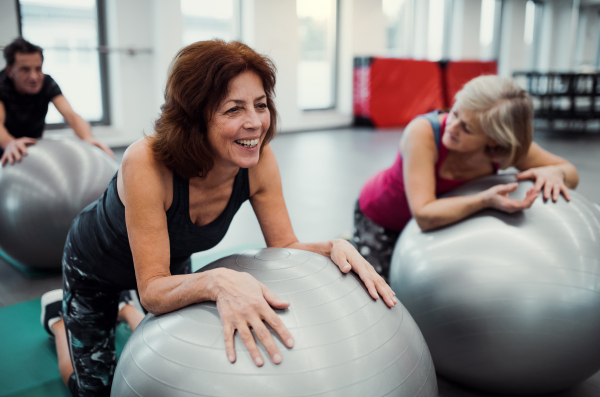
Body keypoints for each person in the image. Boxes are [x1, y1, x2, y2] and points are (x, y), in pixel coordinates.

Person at [40, 40, 396, 396]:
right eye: (233, 110)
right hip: (96, 268)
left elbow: (286, 246)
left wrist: (332, 247)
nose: (255, 123)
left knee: (168, 362)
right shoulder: (146, 163)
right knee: (96, 390)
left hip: (168, 264)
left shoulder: (259, 161)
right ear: (195, 118)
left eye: (260, 105)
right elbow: (151, 290)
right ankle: (60, 321)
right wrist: (218, 280)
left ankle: (123, 310)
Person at [353, 75, 579, 280]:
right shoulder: (423, 132)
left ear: (494, 140)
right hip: (382, 216)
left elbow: (570, 173)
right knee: (379, 289)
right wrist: (485, 200)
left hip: (443, 221)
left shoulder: (506, 150)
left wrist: (553, 172)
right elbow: (424, 214)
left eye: (467, 128)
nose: (452, 126)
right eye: (454, 113)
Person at [0, 37, 114, 166]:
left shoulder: (47, 83)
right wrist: (9, 143)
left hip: (31, 151)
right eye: (25, 70)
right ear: (10, 71)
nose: (34, 77)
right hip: (5, 152)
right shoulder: (1, 84)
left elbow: (71, 115)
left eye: (38, 69)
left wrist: (88, 138)